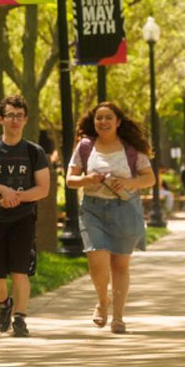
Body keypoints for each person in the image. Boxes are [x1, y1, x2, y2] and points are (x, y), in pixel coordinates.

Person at [65, 102, 155, 335]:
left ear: (118, 122)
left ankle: (118, 316)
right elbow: (69, 179)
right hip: (93, 210)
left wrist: (129, 183)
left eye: (108, 118)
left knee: (120, 265)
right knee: (97, 260)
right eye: (99, 118)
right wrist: (88, 179)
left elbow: (149, 178)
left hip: (124, 209)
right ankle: (102, 301)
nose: (103, 122)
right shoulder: (85, 146)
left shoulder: (131, 148)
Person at [0, 96, 50, 338]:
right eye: (10, 115)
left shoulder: (34, 151)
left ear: (25, 120)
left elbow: (43, 188)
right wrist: (2, 190)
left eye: (19, 115)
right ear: (1, 119)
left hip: (23, 218)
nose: (14, 120)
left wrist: (17, 197)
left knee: (20, 270)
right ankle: (5, 303)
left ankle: (20, 318)